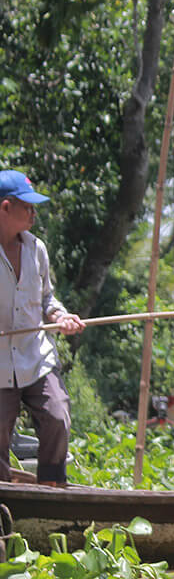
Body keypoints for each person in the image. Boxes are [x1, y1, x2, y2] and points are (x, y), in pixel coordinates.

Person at [0, 170, 84, 487]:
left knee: (57, 415)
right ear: (5, 208)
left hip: (35, 356)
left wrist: (59, 315)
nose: (34, 213)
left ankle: (52, 487)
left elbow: (46, 297)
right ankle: (5, 502)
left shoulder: (36, 249)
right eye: (28, 207)